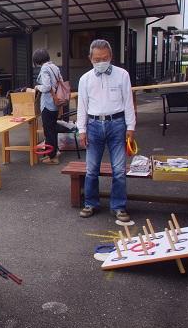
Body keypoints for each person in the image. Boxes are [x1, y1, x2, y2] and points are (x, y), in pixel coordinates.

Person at [76, 39, 135, 222]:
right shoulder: (85, 79)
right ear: (90, 58)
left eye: (104, 58)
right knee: (91, 168)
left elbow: (129, 102)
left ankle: (119, 206)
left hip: (117, 124)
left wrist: (131, 127)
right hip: (93, 125)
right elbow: (82, 106)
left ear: (111, 56)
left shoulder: (122, 75)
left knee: (119, 169)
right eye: (97, 59)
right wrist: (81, 130)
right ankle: (90, 203)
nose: (101, 62)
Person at [30, 49, 63, 164]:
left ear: (37, 60)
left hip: (48, 104)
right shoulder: (54, 67)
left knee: (48, 131)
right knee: (53, 129)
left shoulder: (44, 68)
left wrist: (37, 87)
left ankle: (52, 157)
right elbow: (60, 82)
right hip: (56, 103)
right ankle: (54, 152)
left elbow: (47, 87)